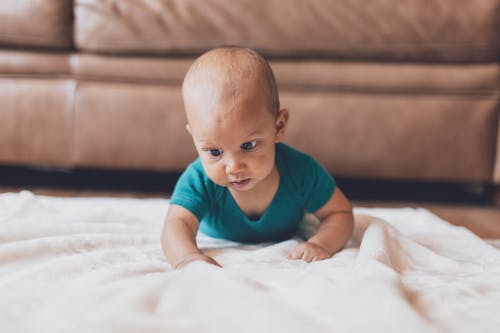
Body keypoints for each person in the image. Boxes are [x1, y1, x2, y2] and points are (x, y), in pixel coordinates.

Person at [161, 47, 353, 269]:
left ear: (278, 127)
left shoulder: (301, 171)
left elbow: (339, 212)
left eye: (248, 145)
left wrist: (322, 244)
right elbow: (176, 224)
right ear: (194, 138)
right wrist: (187, 257)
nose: (233, 167)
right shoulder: (198, 179)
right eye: (214, 152)